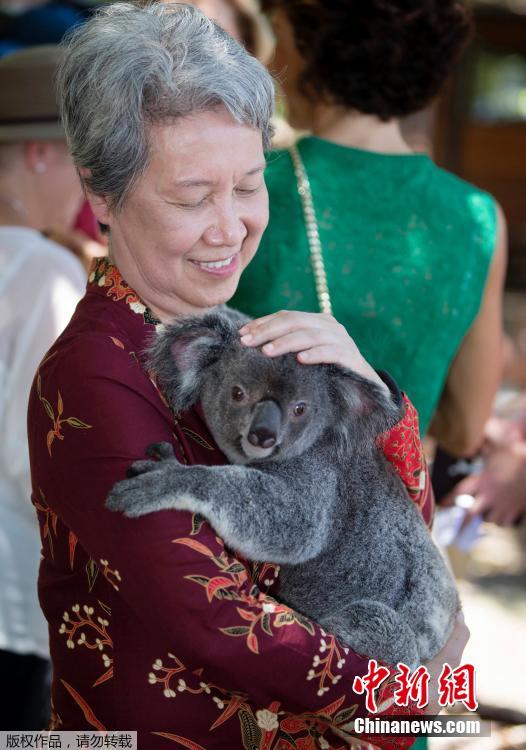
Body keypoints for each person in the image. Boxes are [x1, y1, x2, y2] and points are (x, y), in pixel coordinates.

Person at [27, 4, 468, 746]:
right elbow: (217, 626)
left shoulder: (246, 338)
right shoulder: (96, 376)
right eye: (193, 196)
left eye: (249, 186)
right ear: (100, 193)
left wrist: (367, 398)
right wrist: (422, 695)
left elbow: (381, 527)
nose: (230, 228)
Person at [231, 0, 507, 459]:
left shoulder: (248, 184)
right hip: (390, 508)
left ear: (314, 44)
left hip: (242, 501)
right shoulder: (477, 218)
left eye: (278, 34)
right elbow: (464, 429)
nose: (269, 59)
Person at [0, 45, 86, 729]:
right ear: (38, 155)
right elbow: (40, 456)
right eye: (80, 159)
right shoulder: (42, 273)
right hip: (9, 601)